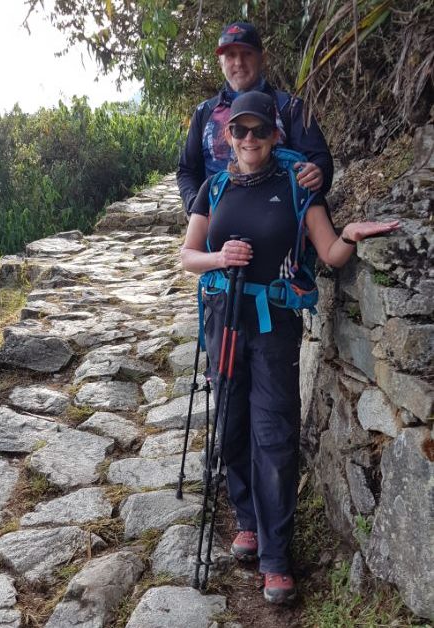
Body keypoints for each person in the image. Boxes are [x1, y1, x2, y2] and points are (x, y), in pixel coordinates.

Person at [180, 91, 399, 605]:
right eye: (240, 131)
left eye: (259, 131)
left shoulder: (298, 188)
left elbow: (329, 253)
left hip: (274, 326)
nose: (249, 139)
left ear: (275, 135)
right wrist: (219, 259)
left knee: (274, 435)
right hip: (223, 319)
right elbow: (188, 255)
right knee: (231, 423)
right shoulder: (213, 189)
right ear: (228, 137)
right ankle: (248, 519)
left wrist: (350, 234)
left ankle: (276, 558)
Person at [177, 21, 334, 215]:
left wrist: (318, 173)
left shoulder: (289, 107)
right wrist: (197, 207)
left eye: (247, 53)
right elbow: (187, 170)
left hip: (280, 223)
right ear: (220, 63)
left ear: (263, 58)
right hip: (219, 226)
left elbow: (320, 159)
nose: (238, 63)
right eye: (231, 55)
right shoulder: (205, 112)